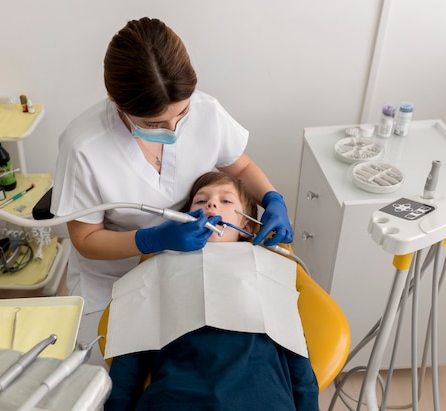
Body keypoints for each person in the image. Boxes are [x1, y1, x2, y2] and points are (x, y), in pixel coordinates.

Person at [50, 17, 293, 365]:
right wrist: (151, 240)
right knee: (112, 377)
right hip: (116, 281)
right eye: (153, 124)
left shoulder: (207, 111)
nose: (173, 129)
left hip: (189, 269)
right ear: (115, 100)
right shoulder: (84, 146)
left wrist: (273, 198)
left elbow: (239, 166)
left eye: (182, 113)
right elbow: (86, 240)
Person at [104, 171, 318, 410]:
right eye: (200, 201)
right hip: (176, 395)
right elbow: (130, 355)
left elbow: (296, 353)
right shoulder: (158, 266)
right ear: (184, 218)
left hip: (259, 393)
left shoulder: (267, 267)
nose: (212, 203)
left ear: (245, 224)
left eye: (226, 201)